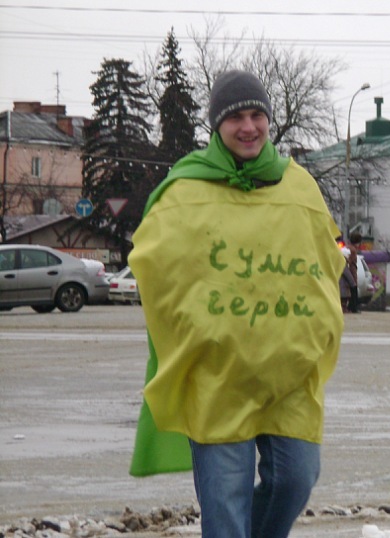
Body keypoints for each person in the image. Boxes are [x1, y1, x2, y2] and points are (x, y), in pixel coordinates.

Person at [127, 70, 345, 538]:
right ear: (216, 126)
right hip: (217, 380)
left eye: (256, 115)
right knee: (226, 508)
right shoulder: (185, 190)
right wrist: (196, 328)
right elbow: (156, 273)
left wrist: (320, 330)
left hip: (288, 378)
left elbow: (326, 265)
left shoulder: (299, 187)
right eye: (235, 118)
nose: (248, 127)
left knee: (296, 478)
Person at [347, 231, 362, 313]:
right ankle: (353, 307)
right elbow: (350, 261)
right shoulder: (353, 250)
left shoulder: (347, 247)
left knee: (351, 289)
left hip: (349, 270)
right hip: (352, 270)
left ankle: (350, 306)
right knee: (354, 288)